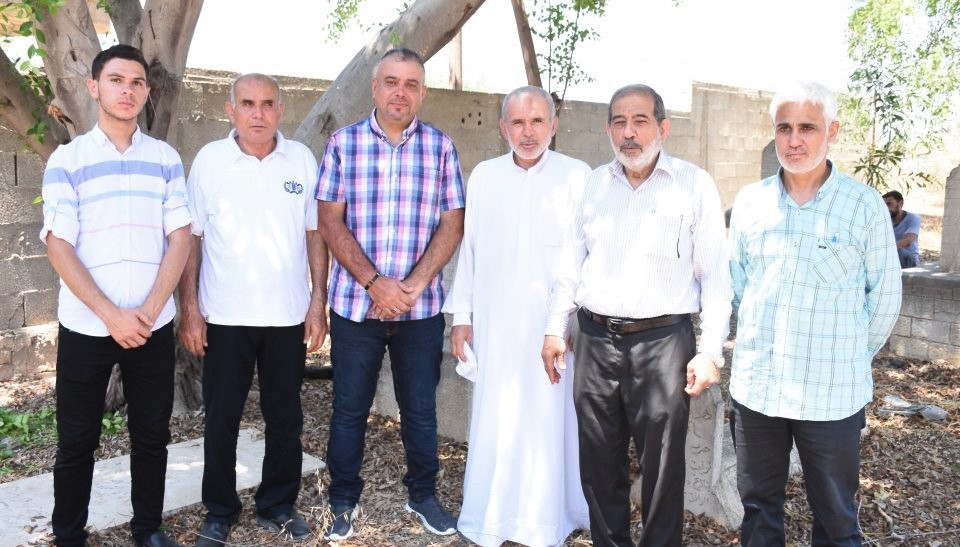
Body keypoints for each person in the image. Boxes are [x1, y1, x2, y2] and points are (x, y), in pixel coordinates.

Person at [540, 84, 732, 547]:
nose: (629, 133)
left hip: (663, 344)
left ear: (663, 127)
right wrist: (555, 329)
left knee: (662, 466)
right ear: (608, 129)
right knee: (598, 461)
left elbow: (715, 278)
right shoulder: (594, 185)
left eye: (640, 121)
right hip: (594, 338)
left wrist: (710, 351)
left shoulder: (693, 185)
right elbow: (570, 265)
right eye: (620, 122)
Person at [727, 81, 902, 546]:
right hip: (759, 390)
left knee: (836, 519)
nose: (794, 140)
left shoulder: (863, 206)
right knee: (759, 510)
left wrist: (848, 356)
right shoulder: (751, 203)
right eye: (784, 128)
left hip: (831, 395)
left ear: (832, 131)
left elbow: (884, 297)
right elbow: (740, 288)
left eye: (807, 127)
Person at [40, 44, 191, 547]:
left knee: (152, 435)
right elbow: (59, 246)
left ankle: (147, 529)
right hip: (86, 326)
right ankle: (68, 536)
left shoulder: (165, 159)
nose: (128, 90)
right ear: (94, 87)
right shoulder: (67, 161)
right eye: (116, 80)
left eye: (137, 82)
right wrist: (111, 315)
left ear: (147, 92)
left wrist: (147, 311)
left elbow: (180, 238)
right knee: (77, 439)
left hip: (151, 324)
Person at [315, 47, 465, 541]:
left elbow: (453, 223)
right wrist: (375, 283)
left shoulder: (441, 148)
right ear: (375, 87)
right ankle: (343, 500)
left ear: (422, 92)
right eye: (392, 82)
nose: (401, 92)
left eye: (411, 84)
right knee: (349, 410)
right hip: (356, 308)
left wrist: (413, 286)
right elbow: (329, 221)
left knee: (420, 411)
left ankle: (422, 495)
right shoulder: (344, 144)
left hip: (419, 312)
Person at [178, 73, 328, 546]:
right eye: (247, 103)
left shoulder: (301, 160)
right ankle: (220, 511)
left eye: (267, 104)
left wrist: (318, 301)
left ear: (280, 110)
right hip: (224, 317)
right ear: (231, 110)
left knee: (285, 419)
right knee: (221, 419)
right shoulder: (210, 161)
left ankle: (278, 504)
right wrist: (190, 308)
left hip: (287, 317)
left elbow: (315, 233)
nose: (258, 113)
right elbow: (192, 238)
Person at [442, 86, 591, 546]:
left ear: (554, 125)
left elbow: (582, 257)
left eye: (537, 121)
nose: (528, 133)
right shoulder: (485, 177)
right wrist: (461, 316)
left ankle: (547, 518)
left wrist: (566, 323)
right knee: (498, 414)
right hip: (495, 321)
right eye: (518, 123)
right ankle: (494, 515)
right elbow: (470, 250)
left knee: (550, 417)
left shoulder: (578, 176)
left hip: (554, 326)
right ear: (503, 127)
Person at [882, 190, 921, 268]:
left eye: (889, 204)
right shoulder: (883, 220)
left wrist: (884, 249)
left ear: (900, 204)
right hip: (888, 256)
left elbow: (908, 242)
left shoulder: (913, 218)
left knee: (899, 252)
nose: (886, 208)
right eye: (884, 205)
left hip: (907, 259)